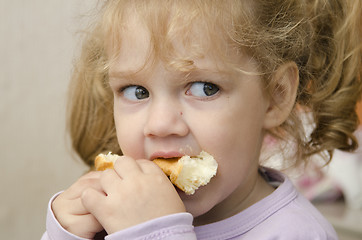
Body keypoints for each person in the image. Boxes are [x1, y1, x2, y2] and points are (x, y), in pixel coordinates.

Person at [42, 0, 361, 239]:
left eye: (204, 88)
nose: (160, 124)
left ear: (276, 96)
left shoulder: (296, 233)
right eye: (137, 91)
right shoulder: (114, 216)